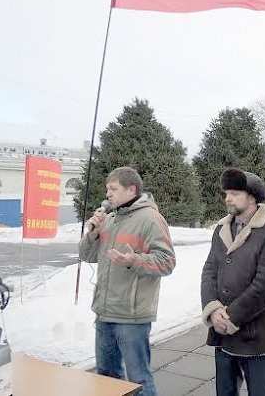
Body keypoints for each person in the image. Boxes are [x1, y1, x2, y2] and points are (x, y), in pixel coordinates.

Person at [79, 166, 175, 396]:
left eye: (113, 189)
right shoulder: (109, 219)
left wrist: (134, 261)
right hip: (104, 312)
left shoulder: (150, 219)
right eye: (107, 189)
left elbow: (167, 261)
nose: (108, 194)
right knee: (107, 378)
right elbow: (87, 255)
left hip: (132, 316)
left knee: (138, 380)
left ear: (131, 189)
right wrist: (92, 233)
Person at [201, 167, 265, 396]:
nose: (228, 198)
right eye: (226, 192)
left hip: (256, 336)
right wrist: (213, 310)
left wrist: (230, 318)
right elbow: (210, 270)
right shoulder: (221, 228)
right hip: (222, 334)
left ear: (252, 197)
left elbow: (264, 286)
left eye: (235, 193)